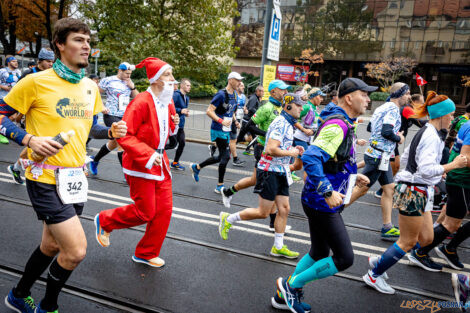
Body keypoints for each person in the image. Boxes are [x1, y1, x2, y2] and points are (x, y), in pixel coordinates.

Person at [2, 18, 127, 313]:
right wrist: (29, 139)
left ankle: (18, 295)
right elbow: (1, 116)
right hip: (44, 177)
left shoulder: (89, 87)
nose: (86, 47)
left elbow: (91, 128)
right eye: (79, 40)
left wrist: (110, 132)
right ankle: (49, 306)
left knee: (51, 246)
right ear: (60, 45)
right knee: (75, 251)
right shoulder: (35, 81)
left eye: (88, 41)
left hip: (75, 179)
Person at [274, 78, 375, 313]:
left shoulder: (344, 121)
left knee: (319, 252)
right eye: (365, 94)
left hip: (316, 198)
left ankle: (283, 295)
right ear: (349, 98)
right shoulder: (338, 124)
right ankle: (291, 285)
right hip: (321, 201)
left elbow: (334, 159)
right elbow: (310, 157)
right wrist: (328, 191)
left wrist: (352, 176)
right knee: (344, 258)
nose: (369, 99)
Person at [363, 91, 466, 294]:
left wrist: (438, 175)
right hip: (413, 191)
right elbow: (426, 169)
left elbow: (413, 157)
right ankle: (374, 275)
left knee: (426, 238)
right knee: (408, 241)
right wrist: (451, 166)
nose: (453, 119)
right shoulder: (430, 135)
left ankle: (380, 260)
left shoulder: (430, 132)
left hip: (419, 189)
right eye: (452, 115)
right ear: (442, 115)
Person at [94, 57, 178, 268]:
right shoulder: (141, 101)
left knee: (164, 211)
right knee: (145, 212)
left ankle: (146, 252)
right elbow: (124, 135)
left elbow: (164, 133)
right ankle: (105, 221)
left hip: (161, 163)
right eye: (168, 75)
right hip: (142, 164)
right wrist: (148, 155)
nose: (173, 79)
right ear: (156, 79)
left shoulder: (168, 102)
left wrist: (174, 125)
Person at [219, 93, 305, 259]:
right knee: (263, 212)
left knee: (284, 209)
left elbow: (281, 145)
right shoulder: (281, 123)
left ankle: (278, 247)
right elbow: (271, 149)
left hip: (281, 170)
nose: (301, 108)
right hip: (269, 171)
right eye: (299, 105)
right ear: (288, 106)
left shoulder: (288, 123)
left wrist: (294, 149)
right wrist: (292, 152)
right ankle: (228, 219)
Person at [221, 80, 291, 230]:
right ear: (273, 92)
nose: (285, 92)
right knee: (269, 185)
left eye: (286, 90)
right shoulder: (267, 108)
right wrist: (267, 134)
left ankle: (228, 191)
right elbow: (249, 125)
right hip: (263, 149)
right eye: (282, 90)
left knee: (255, 180)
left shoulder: (280, 108)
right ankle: (272, 222)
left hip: (271, 150)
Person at [407, 106, 470, 272]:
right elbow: (465, 159)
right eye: (450, 114)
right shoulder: (467, 127)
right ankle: (420, 252)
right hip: (461, 181)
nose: (452, 117)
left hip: (459, 180)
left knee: (449, 221)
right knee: (451, 224)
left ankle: (448, 249)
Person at [349, 82, 411, 240]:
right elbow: (387, 131)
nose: (410, 97)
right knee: (361, 189)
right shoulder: (392, 109)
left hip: (380, 154)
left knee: (389, 189)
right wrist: (399, 138)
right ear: (400, 94)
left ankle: (387, 227)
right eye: (408, 93)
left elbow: (371, 128)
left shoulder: (382, 107)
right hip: (379, 156)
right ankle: (333, 212)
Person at [6, 48, 56, 184]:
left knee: (35, 145)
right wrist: (18, 115)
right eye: (48, 61)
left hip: (45, 113)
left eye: (52, 61)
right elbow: (18, 95)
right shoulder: (28, 74)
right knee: (35, 143)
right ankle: (21, 168)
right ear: (40, 61)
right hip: (28, 113)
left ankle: (16, 167)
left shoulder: (52, 74)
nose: (51, 64)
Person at [190, 72, 243, 193]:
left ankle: (197, 167)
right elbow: (209, 111)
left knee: (220, 157)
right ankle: (220, 185)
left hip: (227, 129)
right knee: (225, 156)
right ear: (230, 80)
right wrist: (221, 121)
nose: (240, 82)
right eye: (237, 80)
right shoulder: (220, 94)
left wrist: (235, 122)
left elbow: (231, 111)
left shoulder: (235, 94)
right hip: (218, 129)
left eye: (240, 80)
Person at [88, 62, 139, 174]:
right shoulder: (108, 80)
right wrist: (101, 106)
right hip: (110, 115)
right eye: (126, 73)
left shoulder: (129, 82)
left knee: (114, 143)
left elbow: (138, 98)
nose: (128, 76)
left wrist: (132, 87)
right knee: (121, 141)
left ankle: (94, 160)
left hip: (124, 116)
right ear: (120, 71)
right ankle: (127, 174)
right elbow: (94, 93)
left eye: (130, 74)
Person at [375, 93, 427, 198]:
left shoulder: (410, 108)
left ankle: (383, 189)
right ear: (415, 102)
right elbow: (420, 123)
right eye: (422, 103)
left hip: (394, 142)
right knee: (391, 166)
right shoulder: (407, 109)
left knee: (391, 166)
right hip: (390, 140)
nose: (423, 105)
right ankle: (383, 189)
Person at [291, 87, 325, 181]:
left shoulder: (315, 108)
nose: (322, 99)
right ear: (313, 97)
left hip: (308, 140)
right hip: (300, 139)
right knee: (309, 163)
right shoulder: (306, 107)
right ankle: (308, 187)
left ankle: (281, 173)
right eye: (320, 97)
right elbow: (292, 118)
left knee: (298, 166)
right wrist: (304, 130)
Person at [170, 78, 191, 170]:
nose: (189, 87)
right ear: (182, 85)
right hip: (173, 124)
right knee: (173, 144)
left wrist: (185, 113)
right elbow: (170, 107)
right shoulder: (176, 95)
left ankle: (175, 162)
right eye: (187, 85)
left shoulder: (187, 98)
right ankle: (154, 152)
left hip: (181, 125)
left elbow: (183, 109)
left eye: (190, 85)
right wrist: (180, 110)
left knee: (181, 143)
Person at [0, 55, 21, 144]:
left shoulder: (19, 72)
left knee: (13, 116)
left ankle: (3, 131)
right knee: (2, 116)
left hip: (14, 98)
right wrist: (3, 87)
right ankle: (1, 134)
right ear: (8, 63)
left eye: (16, 61)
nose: (16, 63)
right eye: (13, 61)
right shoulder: (2, 71)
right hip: (2, 97)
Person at [238, 85, 264, 156]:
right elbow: (251, 108)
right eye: (262, 91)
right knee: (254, 137)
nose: (263, 93)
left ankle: (249, 151)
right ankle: (255, 153)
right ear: (258, 91)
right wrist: (259, 114)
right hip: (247, 121)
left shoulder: (256, 98)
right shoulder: (254, 98)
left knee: (252, 137)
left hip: (250, 121)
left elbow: (247, 106)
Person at [230, 81, 246, 166]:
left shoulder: (243, 96)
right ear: (238, 87)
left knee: (230, 138)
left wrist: (245, 109)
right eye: (242, 86)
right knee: (233, 139)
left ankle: (214, 146)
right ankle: (235, 159)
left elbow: (243, 106)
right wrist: (235, 121)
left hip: (238, 118)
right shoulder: (234, 96)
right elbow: (232, 110)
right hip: (233, 119)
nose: (243, 87)